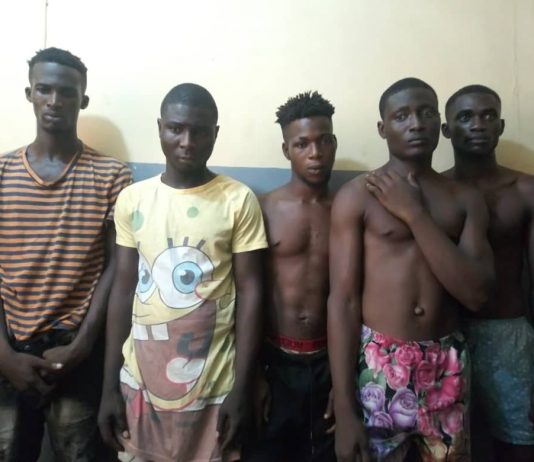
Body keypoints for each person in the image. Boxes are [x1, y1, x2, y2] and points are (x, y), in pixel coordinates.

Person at [98, 83, 268, 462]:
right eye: (176, 129)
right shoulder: (133, 200)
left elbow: (252, 293)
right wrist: (108, 385)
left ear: (215, 134)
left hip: (214, 388)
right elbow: (123, 290)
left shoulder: (237, 200)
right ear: (160, 127)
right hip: (140, 384)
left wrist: (242, 387)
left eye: (200, 131)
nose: (187, 142)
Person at [328, 77, 494, 462]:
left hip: (446, 361)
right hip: (378, 361)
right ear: (382, 128)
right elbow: (343, 300)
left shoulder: (465, 198)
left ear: (440, 123)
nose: (416, 123)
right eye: (401, 116)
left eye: (426, 113)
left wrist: (414, 213)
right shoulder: (358, 195)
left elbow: (476, 294)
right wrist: (344, 407)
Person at [0, 47, 132, 461]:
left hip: (77, 351)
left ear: (83, 99)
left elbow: (116, 267)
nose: (54, 101)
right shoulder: (2, 173)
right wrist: (4, 356)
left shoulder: (112, 176)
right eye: (44, 89)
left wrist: (82, 346)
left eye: (67, 92)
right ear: (29, 94)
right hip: (9, 347)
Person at [442, 85, 534, 462]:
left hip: (508, 333)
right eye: (465, 117)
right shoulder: (434, 190)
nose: (478, 124)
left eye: (487, 115)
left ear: (501, 125)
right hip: (447, 333)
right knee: (454, 447)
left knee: (519, 444)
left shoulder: (525, 190)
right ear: (446, 130)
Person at [243, 91, 337, 462]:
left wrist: (344, 380)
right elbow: (247, 293)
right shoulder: (264, 209)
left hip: (331, 359)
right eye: (302, 144)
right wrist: (254, 374)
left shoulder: (348, 209)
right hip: (275, 361)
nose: (315, 153)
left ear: (334, 143)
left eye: (324, 141)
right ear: (286, 150)